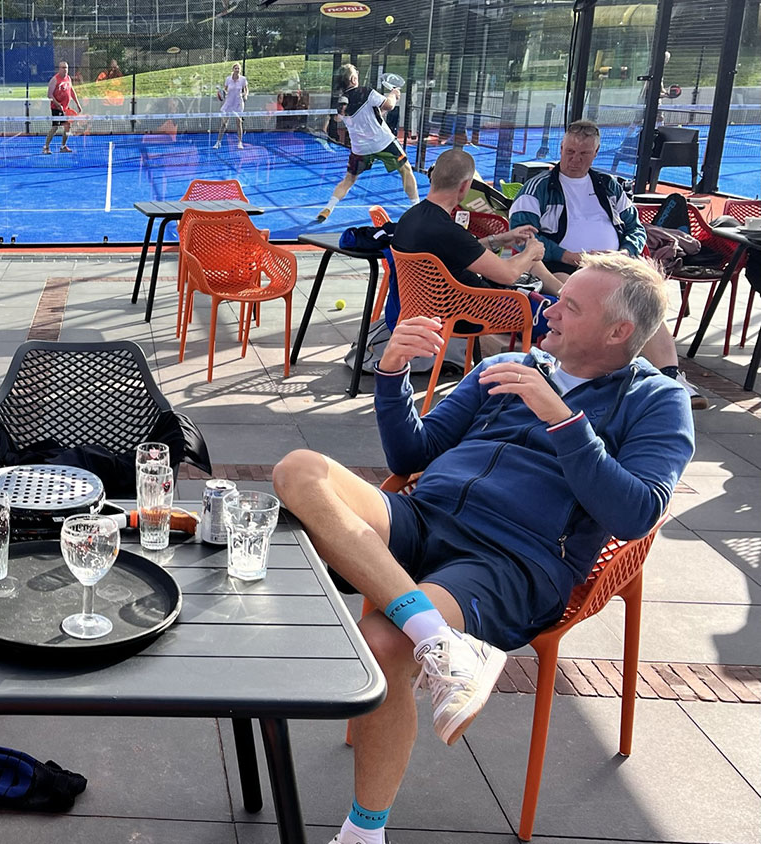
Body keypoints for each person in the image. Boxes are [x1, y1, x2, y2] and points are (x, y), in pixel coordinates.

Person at [272, 250, 694, 844]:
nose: (549, 310)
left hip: (510, 560)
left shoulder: (656, 401)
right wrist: (392, 377)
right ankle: (439, 639)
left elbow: (638, 511)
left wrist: (562, 419)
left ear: (617, 332)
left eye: (571, 306)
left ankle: (363, 834)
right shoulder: (510, 364)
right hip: (424, 517)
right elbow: (413, 454)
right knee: (299, 469)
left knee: (382, 641)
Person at [509, 119, 708, 410]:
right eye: (570, 152)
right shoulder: (537, 188)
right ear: (561, 149)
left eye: (583, 154)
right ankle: (605, 378)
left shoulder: (608, 186)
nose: (575, 159)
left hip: (613, 265)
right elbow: (522, 236)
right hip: (562, 265)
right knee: (587, 301)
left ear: (595, 153)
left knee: (644, 304)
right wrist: (568, 255)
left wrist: (623, 254)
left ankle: (669, 377)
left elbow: (636, 228)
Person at [394, 149, 563, 298]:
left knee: (553, 274)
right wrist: (532, 250)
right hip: (477, 310)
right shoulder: (448, 232)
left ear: (433, 178)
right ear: (464, 186)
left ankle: (565, 295)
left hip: (430, 303)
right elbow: (508, 274)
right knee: (534, 265)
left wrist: (501, 239)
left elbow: (462, 250)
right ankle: (568, 300)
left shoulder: (410, 218)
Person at [316, 64, 418, 223]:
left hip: (360, 149)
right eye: (356, 73)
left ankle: (328, 208)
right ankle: (416, 207)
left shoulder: (341, 103)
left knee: (349, 180)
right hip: (383, 142)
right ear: (353, 79)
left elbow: (368, 115)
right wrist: (393, 94)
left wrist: (383, 107)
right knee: (406, 170)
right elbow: (389, 105)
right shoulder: (366, 92)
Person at [42, 62, 82, 154]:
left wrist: (77, 104)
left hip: (65, 108)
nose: (65, 70)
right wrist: (57, 104)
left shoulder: (68, 78)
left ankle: (63, 146)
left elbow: (71, 91)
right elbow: (49, 95)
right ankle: (46, 147)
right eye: (63, 68)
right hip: (56, 108)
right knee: (55, 128)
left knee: (67, 126)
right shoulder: (54, 80)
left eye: (66, 68)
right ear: (59, 69)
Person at [214, 62, 249, 150]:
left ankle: (240, 142)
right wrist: (222, 94)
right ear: (233, 69)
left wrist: (245, 95)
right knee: (224, 123)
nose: (237, 70)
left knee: (239, 122)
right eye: (235, 68)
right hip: (229, 103)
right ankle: (218, 142)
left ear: (240, 70)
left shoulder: (243, 79)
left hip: (238, 103)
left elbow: (246, 90)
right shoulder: (228, 79)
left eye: (238, 68)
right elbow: (225, 90)